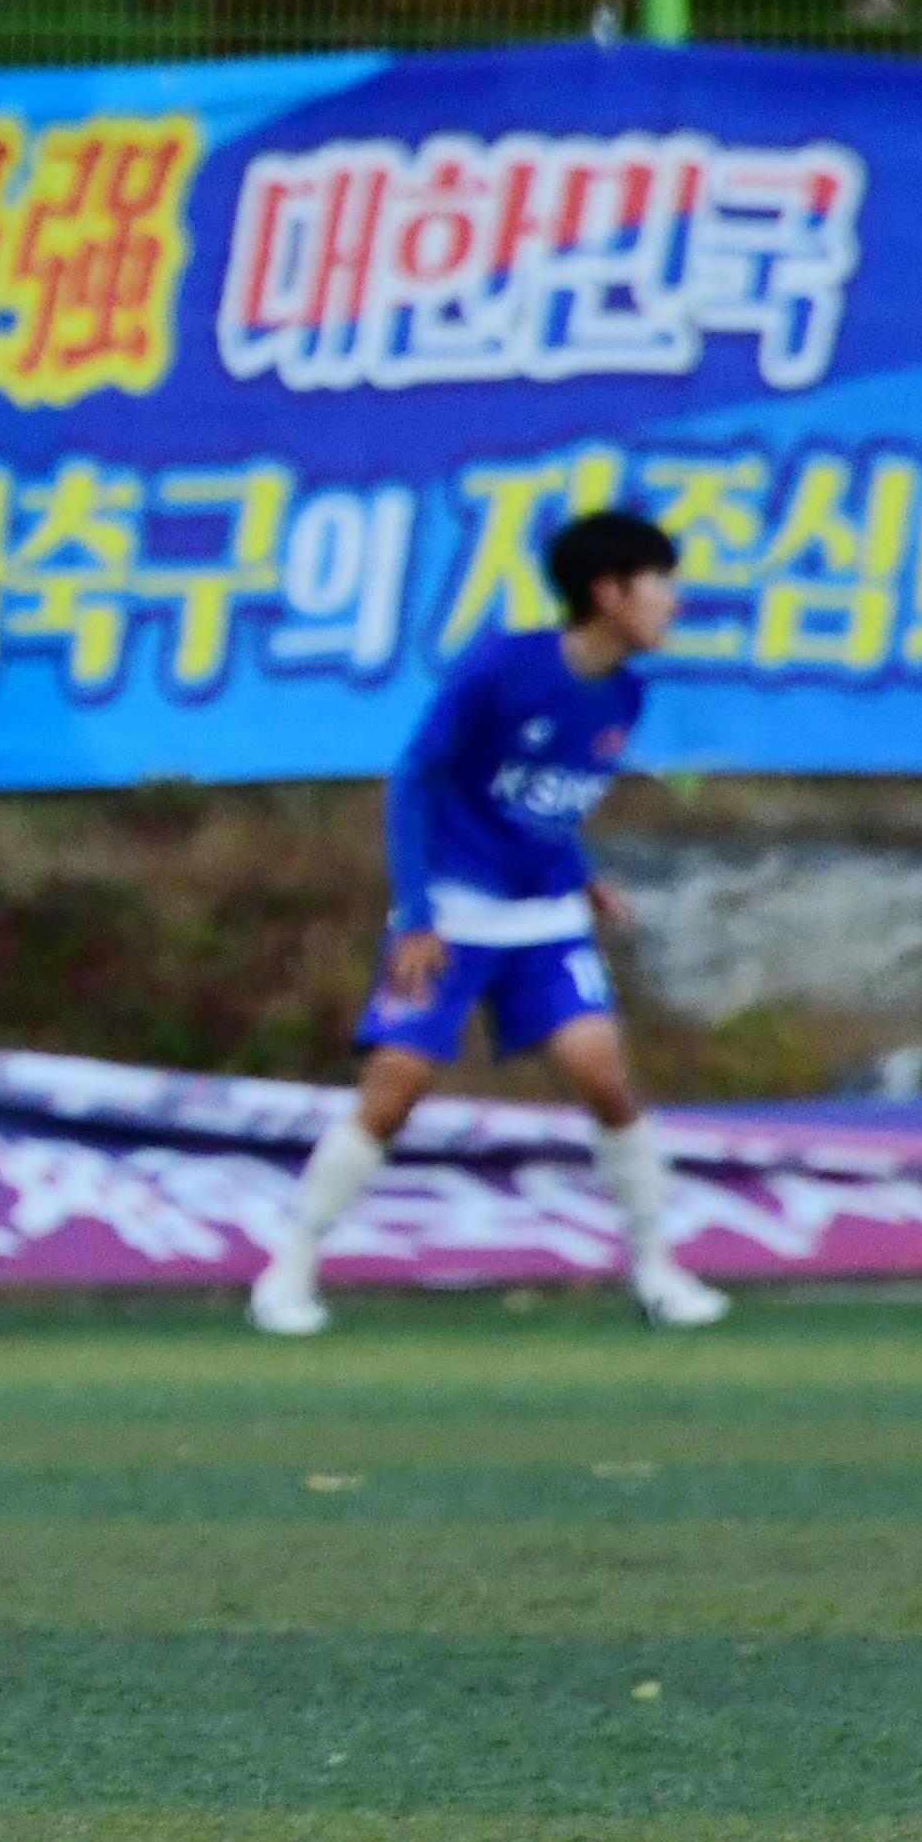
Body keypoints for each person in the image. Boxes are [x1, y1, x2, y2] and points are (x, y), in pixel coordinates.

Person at [251, 506, 727, 1338]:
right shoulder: (504, 667)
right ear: (609, 592)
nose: (674, 603)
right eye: (661, 584)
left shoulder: (625, 694)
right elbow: (418, 780)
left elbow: (542, 806)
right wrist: (418, 914)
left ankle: (657, 1271)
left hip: (543, 920)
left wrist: (580, 878)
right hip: (453, 913)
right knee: (395, 1091)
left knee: (605, 1079)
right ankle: (289, 1270)